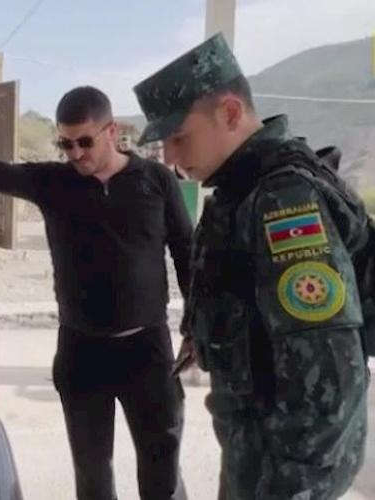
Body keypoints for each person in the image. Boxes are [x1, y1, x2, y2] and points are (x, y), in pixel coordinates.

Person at [0, 86, 191, 500]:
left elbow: (187, 251)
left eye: (85, 142)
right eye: (66, 143)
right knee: (92, 472)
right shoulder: (52, 182)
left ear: (112, 131)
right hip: (82, 351)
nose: (75, 153)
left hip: (147, 350)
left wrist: (195, 326)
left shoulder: (156, 180)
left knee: (160, 467)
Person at [134, 33, 371, 499]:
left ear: (230, 113)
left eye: (179, 137)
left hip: (287, 472)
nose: (171, 159)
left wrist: (291, 487)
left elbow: (329, 379)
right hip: (258, 451)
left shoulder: (284, 200)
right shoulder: (239, 190)